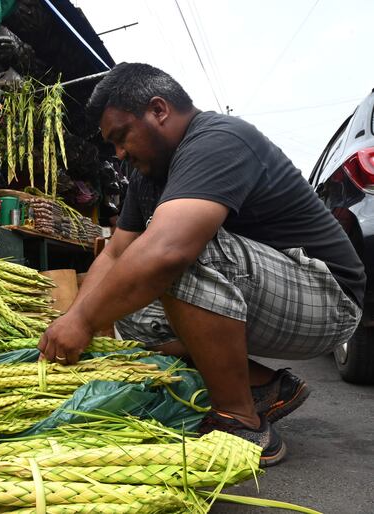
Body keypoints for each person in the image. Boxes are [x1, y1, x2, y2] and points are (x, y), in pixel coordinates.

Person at [38, 63, 364, 467]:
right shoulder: (146, 177)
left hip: (327, 301)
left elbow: (169, 250)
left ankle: (241, 420)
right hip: (263, 297)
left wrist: (83, 322)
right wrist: (73, 318)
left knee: (176, 249)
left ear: (159, 110)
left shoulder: (220, 139)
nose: (119, 153)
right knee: (131, 313)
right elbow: (116, 254)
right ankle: (264, 387)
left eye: (122, 137)